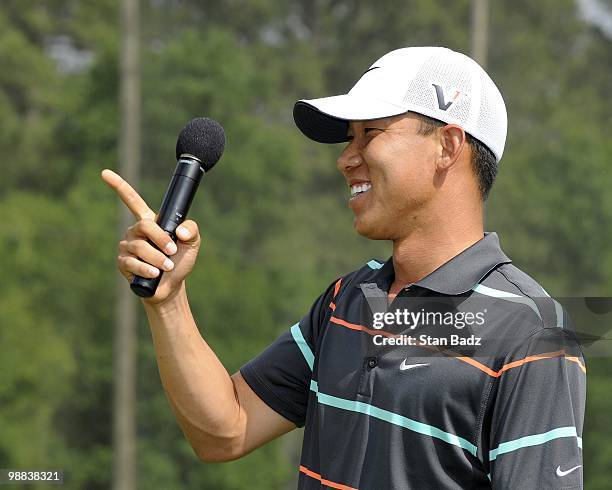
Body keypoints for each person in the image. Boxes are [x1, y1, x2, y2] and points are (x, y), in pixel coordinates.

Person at [102, 47, 586, 489]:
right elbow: (225, 431)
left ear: (447, 146)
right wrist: (168, 302)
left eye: (370, 134)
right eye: (349, 139)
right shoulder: (346, 300)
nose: (346, 159)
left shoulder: (532, 332)